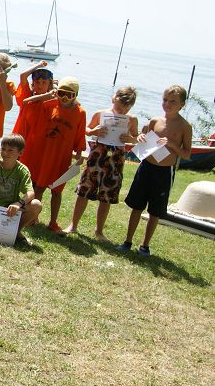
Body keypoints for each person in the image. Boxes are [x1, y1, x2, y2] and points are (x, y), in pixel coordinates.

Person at [116, 85, 192, 257]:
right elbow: (141, 140)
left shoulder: (184, 126)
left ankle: (145, 245)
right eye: (165, 99)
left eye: (173, 101)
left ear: (182, 104)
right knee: (136, 206)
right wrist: (140, 138)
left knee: (154, 211)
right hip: (146, 167)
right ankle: (127, 241)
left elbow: (187, 154)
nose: (167, 104)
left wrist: (172, 145)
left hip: (164, 172)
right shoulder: (154, 121)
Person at [65, 86, 139, 240]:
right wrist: (93, 132)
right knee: (85, 189)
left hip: (116, 157)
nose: (121, 111)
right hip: (98, 153)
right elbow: (86, 129)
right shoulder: (101, 114)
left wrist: (130, 139)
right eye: (119, 107)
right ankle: (73, 225)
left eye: (125, 108)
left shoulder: (132, 119)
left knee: (107, 194)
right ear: (113, 99)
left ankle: (99, 231)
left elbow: (136, 138)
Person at [19, 77, 87, 233]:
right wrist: (48, 95)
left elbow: (80, 134)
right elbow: (26, 102)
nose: (64, 98)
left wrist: (79, 152)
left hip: (61, 157)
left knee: (57, 190)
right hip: (43, 153)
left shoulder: (80, 112)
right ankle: (32, 217)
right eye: (62, 93)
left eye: (69, 95)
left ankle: (53, 222)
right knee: (39, 187)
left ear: (76, 95)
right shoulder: (49, 105)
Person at [12, 63, 54, 138]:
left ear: (49, 84)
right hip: (19, 140)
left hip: (37, 141)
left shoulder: (52, 99)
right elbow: (23, 76)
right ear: (33, 83)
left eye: (44, 82)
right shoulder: (27, 95)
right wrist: (39, 65)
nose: (40, 86)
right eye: (37, 82)